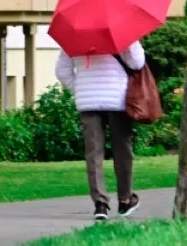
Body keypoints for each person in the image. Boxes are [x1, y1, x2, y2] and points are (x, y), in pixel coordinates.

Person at [55, 40, 145, 221]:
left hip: (87, 102)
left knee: (93, 153)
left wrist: (79, 88)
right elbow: (137, 63)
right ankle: (125, 199)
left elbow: (62, 72)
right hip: (117, 99)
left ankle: (100, 203)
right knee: (122, 150)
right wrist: (132, 41)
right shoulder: (120, 33)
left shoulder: (75, 35)